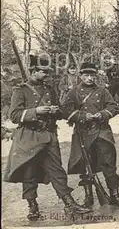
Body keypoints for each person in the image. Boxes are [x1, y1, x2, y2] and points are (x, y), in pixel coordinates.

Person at [4, 55, 91, 221]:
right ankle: (33, 206)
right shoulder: (20, 90)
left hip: (49, 136)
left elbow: (59, 110)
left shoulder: (50, 89)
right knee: (29, 173)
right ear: (34, 71)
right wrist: (36, 111)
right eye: (44, 73)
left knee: (57, 171)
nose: (47, 76)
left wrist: (56, 111)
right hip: (29, 138)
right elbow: (14, 115)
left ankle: (69, 204)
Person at [62, 62, 119, 209]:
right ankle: (89, 197)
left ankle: (114, 195)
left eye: (92, 75)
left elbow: (112, 106)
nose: (90, 78)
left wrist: (102, 114)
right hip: (83, 133)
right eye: (86, 75)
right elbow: (66, 110)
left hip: (102, 131)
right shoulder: (73, 92)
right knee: (86, 166)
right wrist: (83, 116)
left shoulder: (103, 90)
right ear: (81, 76)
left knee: (109, 164)